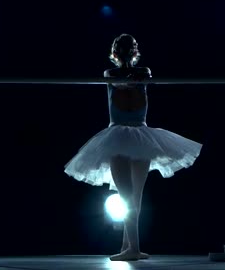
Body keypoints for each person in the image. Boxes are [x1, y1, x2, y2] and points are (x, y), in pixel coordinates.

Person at [64, 34, 203, 261]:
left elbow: (137, 78)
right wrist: (127, 76)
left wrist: (128, 73)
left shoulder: (141, 72)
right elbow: (120, 80)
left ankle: (133, 248)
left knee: (131, 195)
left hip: (134, 135)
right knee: (130, 195)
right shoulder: (114, 74)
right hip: (127, 136)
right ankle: (128, 245)